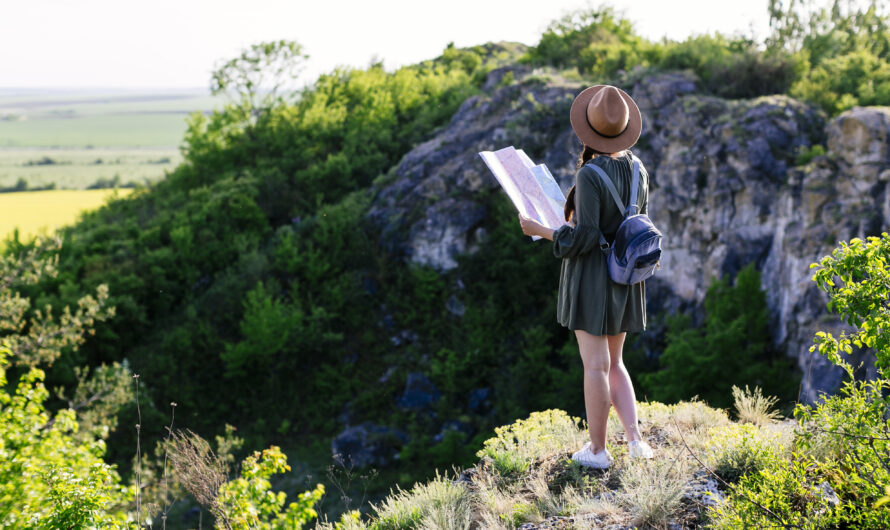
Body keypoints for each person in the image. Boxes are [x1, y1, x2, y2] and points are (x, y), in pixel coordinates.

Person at [517, 84, 655, 469]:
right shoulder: (639, 168)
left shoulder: (591, 173)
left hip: (594, 276)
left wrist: (539, 229)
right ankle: (636, 442)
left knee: (595, 366)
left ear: (589, 129)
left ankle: (597, 451)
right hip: (627, 274)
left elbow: (585, 236)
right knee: (617, 362)